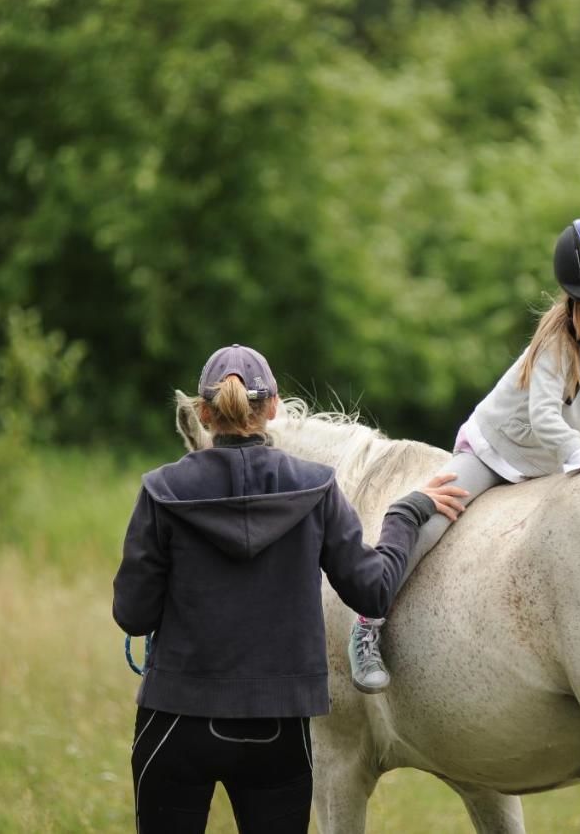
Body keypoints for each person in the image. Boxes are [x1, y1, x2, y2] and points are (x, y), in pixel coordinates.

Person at [112, 343, 468, 833]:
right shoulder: (319, 488)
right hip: (276, 729)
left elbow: (133, 614)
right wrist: (405, 515)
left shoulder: (160, 490)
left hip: (177, 719)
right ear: (274, 408)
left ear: (202, 413)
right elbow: (372, 592)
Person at [349, 216, 580, 693]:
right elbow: (544, 418)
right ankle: (367, 624)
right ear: (571, 307)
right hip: (494, 454)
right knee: (432, 521)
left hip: (551, 464)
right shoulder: (557, 348)